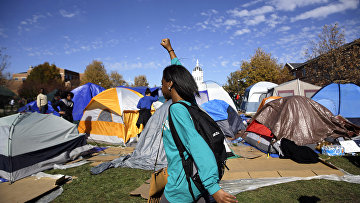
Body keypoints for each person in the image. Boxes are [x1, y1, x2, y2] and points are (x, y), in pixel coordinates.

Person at [159, 38, 237, 203]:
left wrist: (213, 187)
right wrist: (170, 50)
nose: (161, 87)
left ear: (171, 84)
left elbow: (195, 143)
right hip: (195, 183)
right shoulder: (191, 104)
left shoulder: (177, 109)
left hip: (181, 188)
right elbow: (181, 73)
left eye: (163, 83)